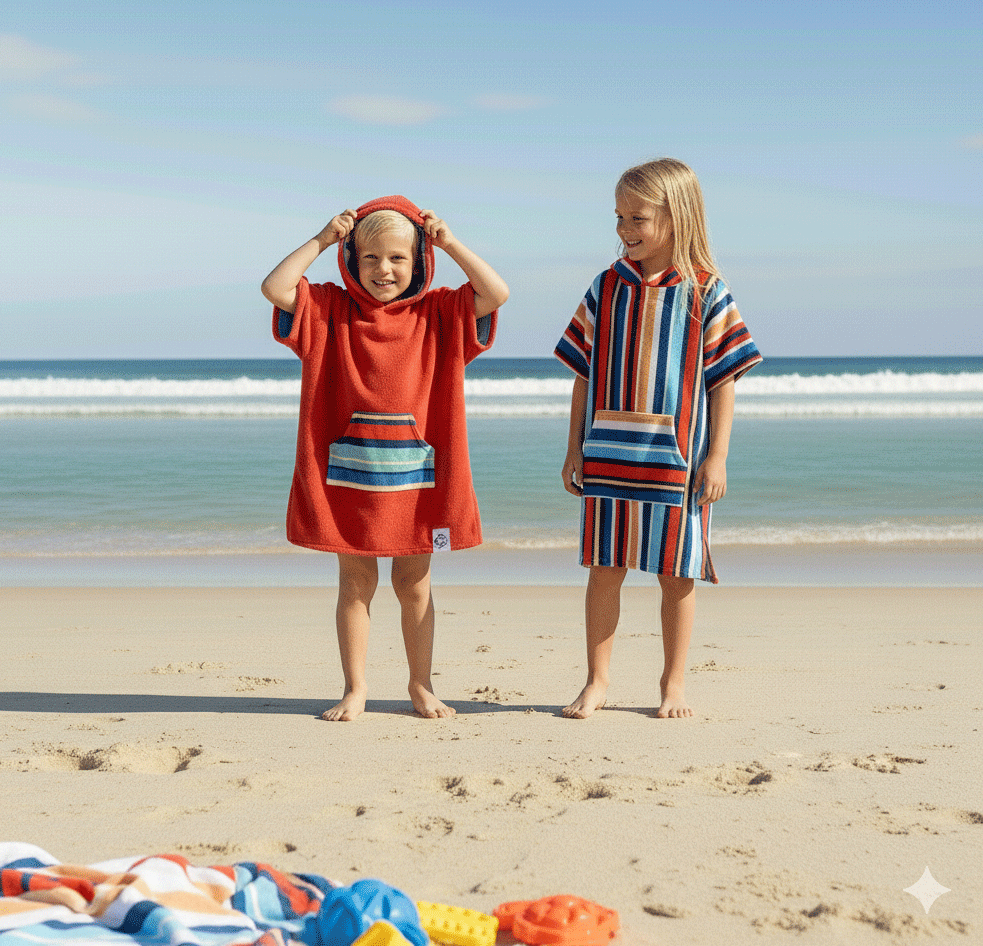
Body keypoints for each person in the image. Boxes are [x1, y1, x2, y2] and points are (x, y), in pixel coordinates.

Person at [261, 196, 508, 721]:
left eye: (398, 258)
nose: (383, 270)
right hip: (350, 479)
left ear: (418, 261)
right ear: (352, 260)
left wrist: (450, 241)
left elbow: (496, 292)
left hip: (416, 481)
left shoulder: (440, 312)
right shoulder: (328, 308)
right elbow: (276, 288)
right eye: (370, 258)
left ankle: (421, 684)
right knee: (356, 584)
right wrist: (324, 238)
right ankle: (356, 689)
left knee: (413, 584)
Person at [555, 159, 761, 719]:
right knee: (605, 569)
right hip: (608, 455)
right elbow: (582, 373)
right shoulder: (605, 287)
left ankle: (673, 684)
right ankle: (597, 681)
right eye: (619, 216)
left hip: (678, 460)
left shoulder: (707, 294)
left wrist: (716, 457)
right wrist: (575, 447)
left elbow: (724, 383)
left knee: (677, 574)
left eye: (637, 217)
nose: (625, 228)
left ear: (677, 215)